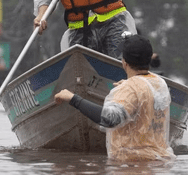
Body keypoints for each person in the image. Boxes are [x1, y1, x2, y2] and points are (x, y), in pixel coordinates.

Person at [54, 34, 174, 163]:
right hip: (160, 163)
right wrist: (130, 86)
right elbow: (143, 99)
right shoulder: (160, 83)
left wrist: (73, 98)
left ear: (124, 62)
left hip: (132, 166)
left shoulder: (129, 89)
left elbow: (109, 119)